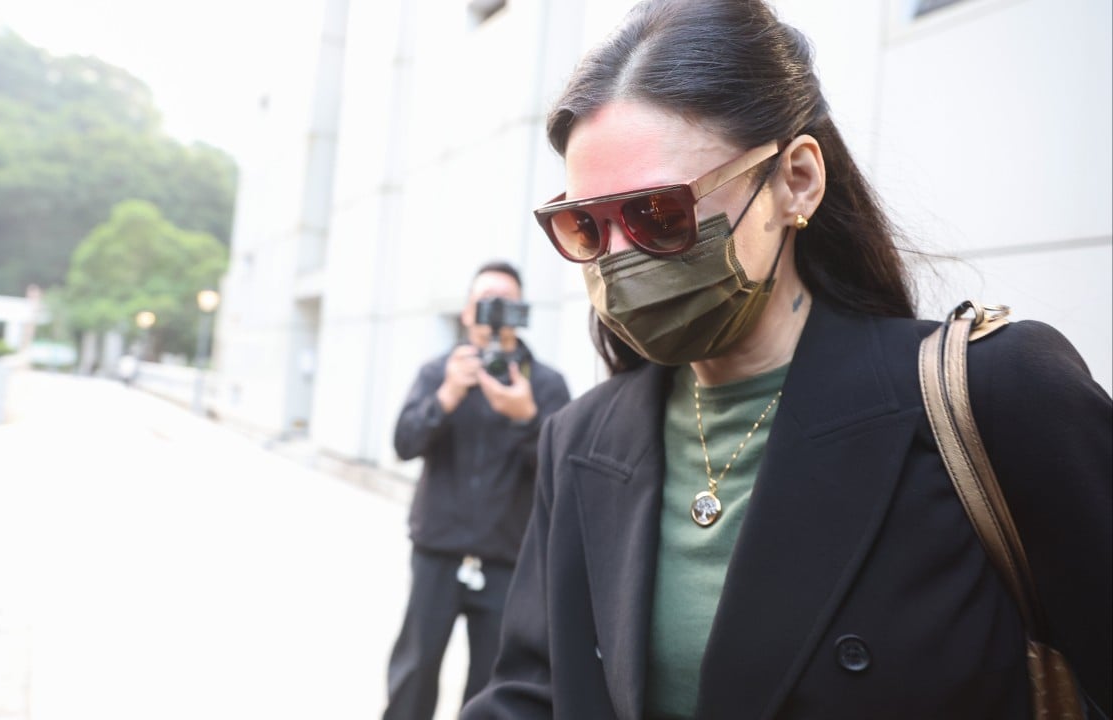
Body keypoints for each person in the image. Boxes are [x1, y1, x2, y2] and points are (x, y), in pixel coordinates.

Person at [461, 1, 1112, 719]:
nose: (617, 260)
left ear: (796, 180)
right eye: (586, 225)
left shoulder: (999, 393)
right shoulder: (579, 440)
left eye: (659, 214)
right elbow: (533, 693)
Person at [383, 260, 571, 719]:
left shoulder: (545, 384)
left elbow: (564, 473)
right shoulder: (439, 372)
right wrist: (446, 396)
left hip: (509, 559)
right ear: (467, 312)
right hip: (437, 551)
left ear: (521, 311)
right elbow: (404, 444)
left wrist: (528, 418)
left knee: (494, 685)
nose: (495, 312)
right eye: (486, 301)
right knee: (414, 671)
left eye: (506, 302)